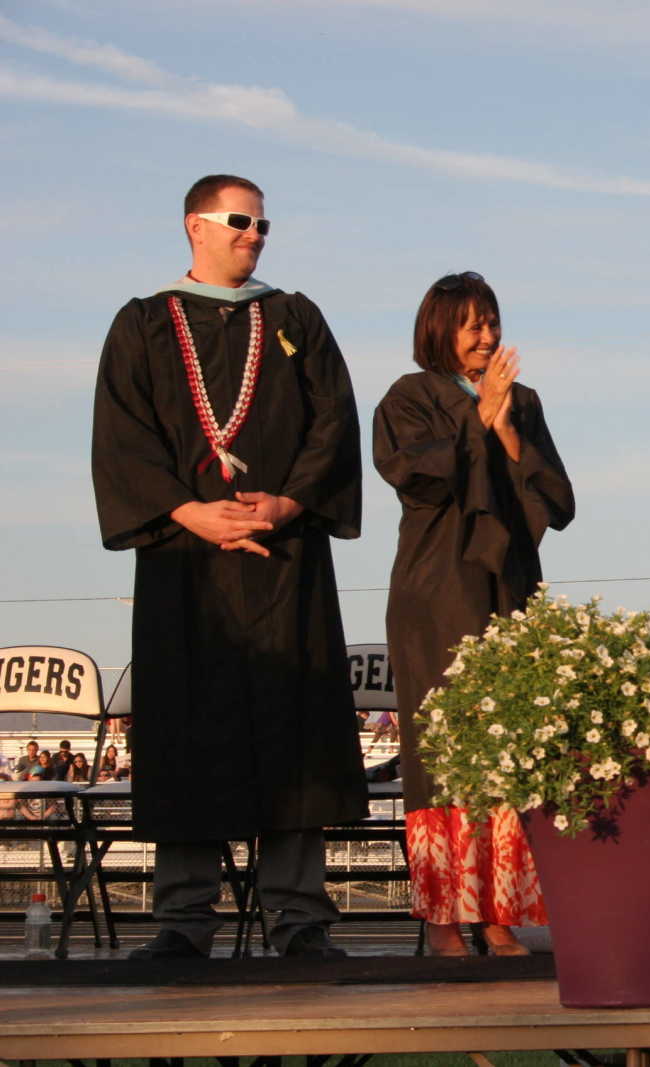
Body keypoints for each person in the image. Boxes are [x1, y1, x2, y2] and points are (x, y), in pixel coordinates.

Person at [91, 174, 367, 960]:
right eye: (241, 220)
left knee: (294, 726)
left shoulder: (293, 317)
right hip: (185, 564)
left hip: (283, 555)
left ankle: (300, 916)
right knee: (186, 729)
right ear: (196, 225)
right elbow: (123, 433)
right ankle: (183, 919)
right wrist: (189, 511)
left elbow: (333, 421)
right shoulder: (144, 322)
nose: (255, 235)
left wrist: (285, 503)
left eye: (264, 225)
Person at [374, 271, 575, 957]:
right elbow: (415, 477)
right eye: (472, 325)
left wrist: (506, 426)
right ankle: (443, 919)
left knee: (507, 751)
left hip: (509, 589)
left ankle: (499, 914)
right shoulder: (410, 396)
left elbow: (555, 498)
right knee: (441, 753)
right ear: (441, 330)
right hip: (437, 591)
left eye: (492, 323)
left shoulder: (524, 400)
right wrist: (476, 417)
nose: (487, 336)